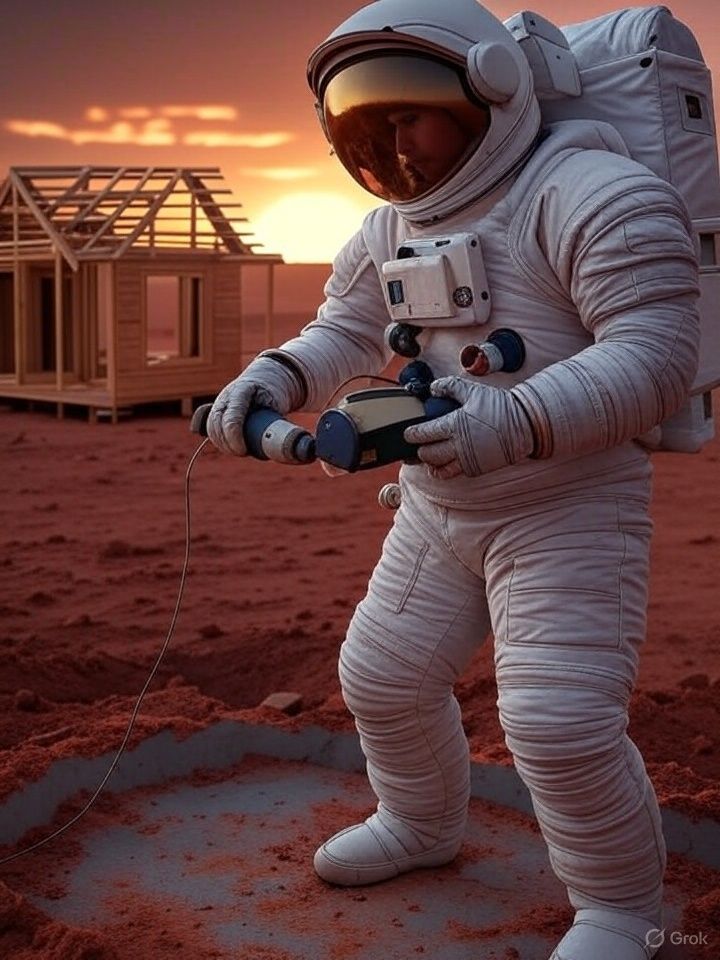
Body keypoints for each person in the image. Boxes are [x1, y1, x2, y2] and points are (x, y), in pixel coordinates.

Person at [207, 1, 701, 957]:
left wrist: (511, 420)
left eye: (409, 116)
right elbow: (346, 329)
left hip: (566, 506)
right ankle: (422, 824)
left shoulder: (592, 192)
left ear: (490, 90)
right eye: (368, 127)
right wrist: (275, 374)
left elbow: (656, 351)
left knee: (557, 724)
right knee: (384, 680)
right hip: (440, 502)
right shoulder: (391, 226)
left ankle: (620, 911)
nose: (393, 147)